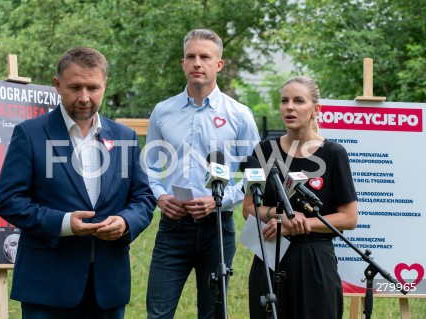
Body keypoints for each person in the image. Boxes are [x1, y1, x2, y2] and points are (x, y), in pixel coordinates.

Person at [0, 47, 156, 319]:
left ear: (105, 85)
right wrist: (65, 223)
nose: (84, 97)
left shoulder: (124, 137)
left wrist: (126, 222)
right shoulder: (30, 134)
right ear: (57, 85)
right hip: (47, 285)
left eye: (93, 87)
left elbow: (143, 197)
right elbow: (9, 200)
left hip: (108, 286)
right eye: (75, 87)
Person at [144, 29, 260, 318]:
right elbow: (148, 167)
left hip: (217, 229)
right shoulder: (162, 112)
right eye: (191, 57)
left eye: (205, 57)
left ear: (218, 64)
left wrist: (221, 200)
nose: (197, 63)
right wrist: (160, 196)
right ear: (182, 63)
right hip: (173, 227)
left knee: (213, 313)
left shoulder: (239, 115)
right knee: (158, 313)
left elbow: (256, 172)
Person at [242, 75, 358, 319]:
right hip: (271, 255)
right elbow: (249, 209)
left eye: (298, 101)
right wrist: (279, 217)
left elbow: (348, 218)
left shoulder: (333, 153)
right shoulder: (264, 150)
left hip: (315, 258)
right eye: (284, 101)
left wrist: (299, 225)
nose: (289, 107)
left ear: (316, 109)